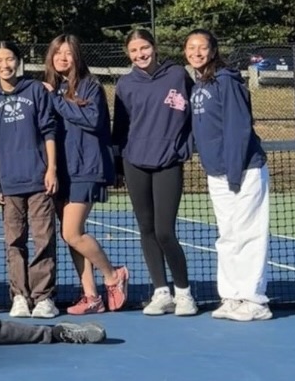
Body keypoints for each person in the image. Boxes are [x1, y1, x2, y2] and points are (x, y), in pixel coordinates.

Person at [184, 29, 272, 321]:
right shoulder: (199, 85)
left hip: (244, 170)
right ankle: (232, 296)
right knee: (228, 236)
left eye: (202, 47)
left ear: (213, 50)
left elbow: (238, 127)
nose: (196, 52)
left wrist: (234, 172)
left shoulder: (226, 81)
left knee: (248, 234)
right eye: (191, 47)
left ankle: (255, 300)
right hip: (217, 174)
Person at [42, 35, 129, 315]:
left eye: (68, 53)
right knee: (71, 236)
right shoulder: (54, 88)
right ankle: (91, 296)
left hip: (87, 168)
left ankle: (114, 275)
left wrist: (55, 99)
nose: (62, 58)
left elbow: (92, 120)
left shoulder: (90, 86)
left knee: (71, 232)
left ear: (77, 56)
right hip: (61, 172)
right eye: (58, 53)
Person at [112, 28, 196, 316]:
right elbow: (120, 128)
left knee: (164, 231)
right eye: (134, 51)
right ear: (128, 54)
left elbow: (194, 113)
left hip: (168, 163)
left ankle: (184, 293)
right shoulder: (125, 84)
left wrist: (185, 146)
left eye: (144, 48)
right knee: (146, 229)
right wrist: (117, 166)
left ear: (154, 47)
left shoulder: (177, 76)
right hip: (134, 163)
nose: (140, 54)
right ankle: (161, 292)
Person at [0, 41, 59, 319]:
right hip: (9, 183)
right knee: (14, 241)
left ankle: (44, 297)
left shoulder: (36, 90)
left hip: (38, 180)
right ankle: (20, 297)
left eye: (10, 58)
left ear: (19, 61)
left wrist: (51, 169)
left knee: (43, 239)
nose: (5, 64)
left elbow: (49, 131)